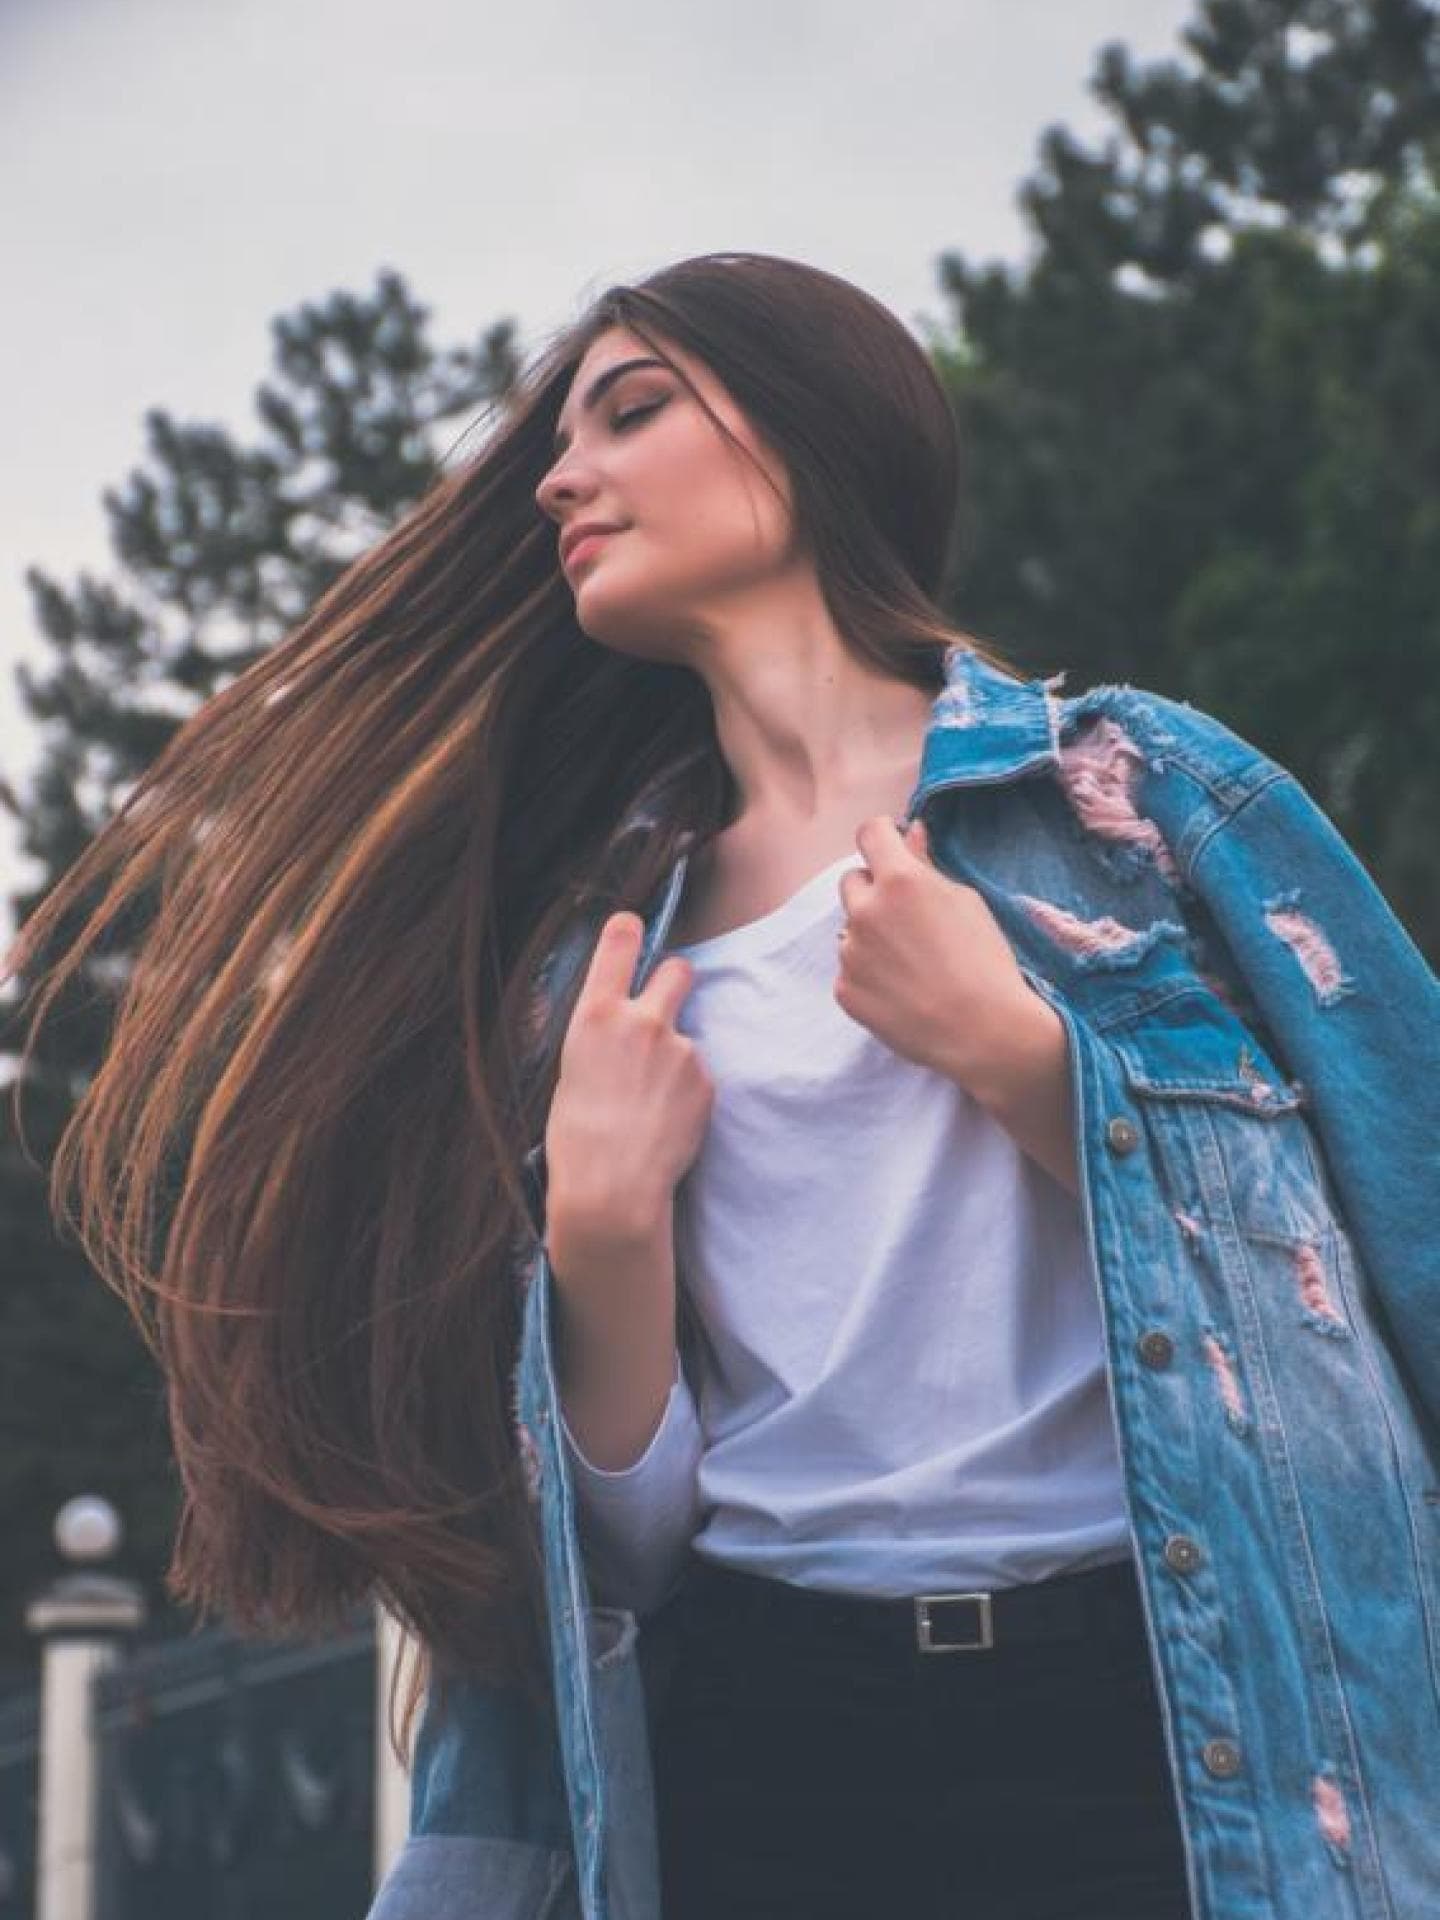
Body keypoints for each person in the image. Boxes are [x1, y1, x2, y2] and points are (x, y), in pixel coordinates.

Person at [6, 252, 1437, 1920]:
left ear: (809, 436)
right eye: (561, 438)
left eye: (631, 409)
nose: (558, 474)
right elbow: (621, 1561)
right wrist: (603, 1235)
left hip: (1169, 1729)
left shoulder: (1140, 804)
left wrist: (1024, 1057)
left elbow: (1399, 1228)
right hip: (762, 1746)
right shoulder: (590, 961)